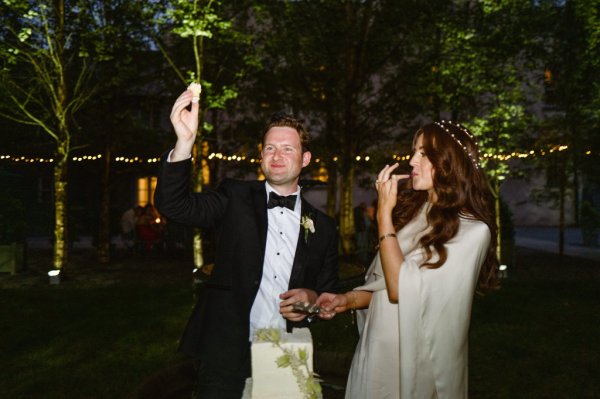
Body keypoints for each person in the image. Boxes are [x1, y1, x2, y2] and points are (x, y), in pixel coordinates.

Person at [154, 87, 339, 399]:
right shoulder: (234, 196)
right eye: (269, 148)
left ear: (305, 159)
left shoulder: (323, 226)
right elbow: (175, 206)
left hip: (285, 347)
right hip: (226, 347)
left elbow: (328, 292)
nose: (277, 156)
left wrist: (311, 300)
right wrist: (184, 143)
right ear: (261, 155)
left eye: (287, 149)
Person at [316, 121, 498, 399]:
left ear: (450, 163)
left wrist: (382, 216)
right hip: (375, 352)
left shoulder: (473, 231)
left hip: (415, 368)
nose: (412, 160)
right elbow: (383, 284)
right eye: (414, 151)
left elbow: (401, 288)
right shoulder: (415, 215)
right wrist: (348, 300)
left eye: (424, 153)